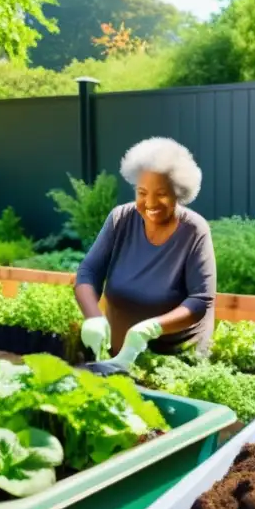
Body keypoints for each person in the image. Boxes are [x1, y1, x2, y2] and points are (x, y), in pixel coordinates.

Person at [75, 137, 216, 364]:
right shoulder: (120, 219)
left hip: (175, 362)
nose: (150, 203)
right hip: (117, 356)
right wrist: (93, 317)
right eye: (142, 192)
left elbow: (200, 300)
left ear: (178, 193)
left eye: (161, 194)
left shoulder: (194, 230)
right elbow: (88, 271)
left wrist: (151, 328)